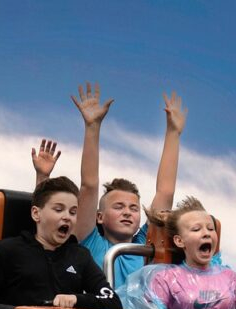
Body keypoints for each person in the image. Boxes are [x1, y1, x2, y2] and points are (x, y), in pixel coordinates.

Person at [67, 84, 188, 289]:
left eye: (133, 208)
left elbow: (165, 192)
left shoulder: (145, 245)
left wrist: (173, 133)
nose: (127, 213)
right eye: (118, 207)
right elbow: (89, 185)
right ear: (100, 217)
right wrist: (92, 127)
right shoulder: (91, 242)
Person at [0, 176, 122, 309]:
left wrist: (75, 299)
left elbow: (113, 303)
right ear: (36, 214)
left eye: (73, 212)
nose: (67, 217)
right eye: (59, 210)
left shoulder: (80, 256)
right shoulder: (6, 251)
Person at [120, 197, 236, 309]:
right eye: (196, 229)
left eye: (210, 229)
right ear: (179, 241)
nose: (206, 233)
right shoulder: (164, 279)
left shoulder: (229, 277)